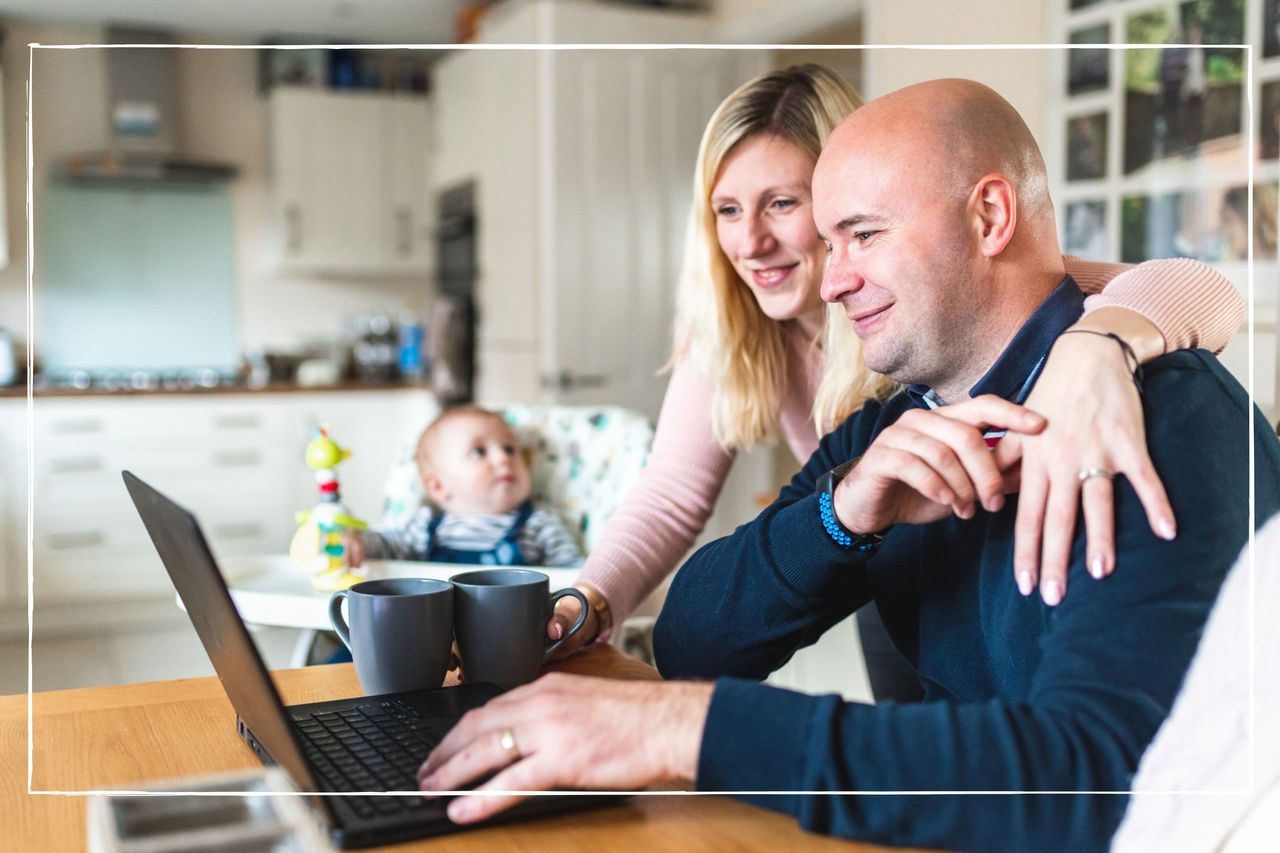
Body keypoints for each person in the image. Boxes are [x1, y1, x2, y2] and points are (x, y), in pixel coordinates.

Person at [413, 79, 1280, 852]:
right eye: (830, 241)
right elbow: (688, 638)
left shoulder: (1151, 416)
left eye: (861, 234)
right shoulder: (899, 424)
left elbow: (1103, 786)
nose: (829, 281)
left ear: (989, 217)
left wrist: (687, 730)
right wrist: (843, 516)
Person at [547, 64, 1245, 705]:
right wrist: (590, 599)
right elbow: (672, 504)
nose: (751, 240)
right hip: (889, 540)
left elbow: (1192, 289)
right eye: (726, 210)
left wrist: (1096, 348)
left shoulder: (1027, 320)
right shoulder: (772, 348)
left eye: (784, 204)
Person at [346, 405, 583, 568]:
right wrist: (358, 543)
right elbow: (386, 544)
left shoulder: (539, 525)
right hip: (429, 635)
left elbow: (575, 579)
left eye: (510, 449)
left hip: (511, 638)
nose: (503, 458)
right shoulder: (424, 526)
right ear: (438, 486)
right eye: (479, 452)